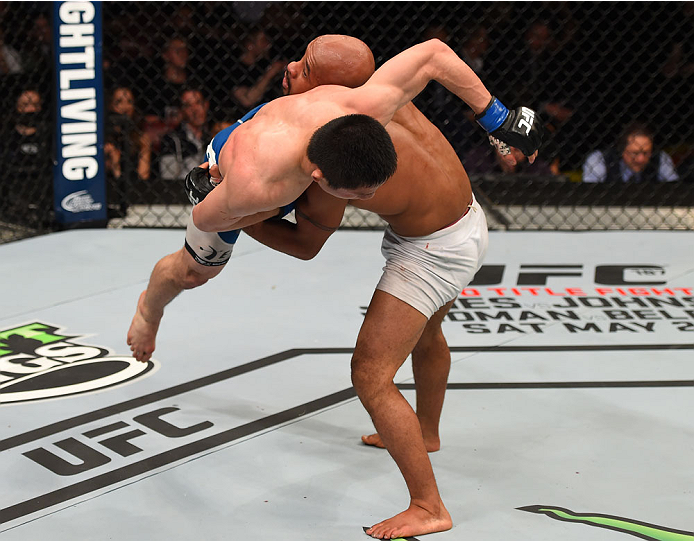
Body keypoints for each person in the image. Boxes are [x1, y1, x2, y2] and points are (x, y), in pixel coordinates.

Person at [127, 35, 543, 539]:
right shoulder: (379, 92)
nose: (290, 69)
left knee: (371, 373)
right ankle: (426, 432)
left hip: (434, 250)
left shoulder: (322, 166)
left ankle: (429, 506)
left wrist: (244, 207)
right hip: (462, 218)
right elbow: (434, 54)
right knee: (426, 333)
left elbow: (304, 245)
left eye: (303, 68)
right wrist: (499, 120)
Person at [582, 122, 679, 183]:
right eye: (635, 153)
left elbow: (674, 190)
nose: (640, 159)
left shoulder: (660, 158)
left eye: (646, 153)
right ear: (622, 150)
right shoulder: (600, 159)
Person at [159, 88, 211, 181]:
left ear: (206, 105)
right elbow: (168, 179)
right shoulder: (171, 139)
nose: (195, 110)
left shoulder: (213, 136)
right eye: (188, 105)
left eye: (198, 103)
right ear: (181, 111)